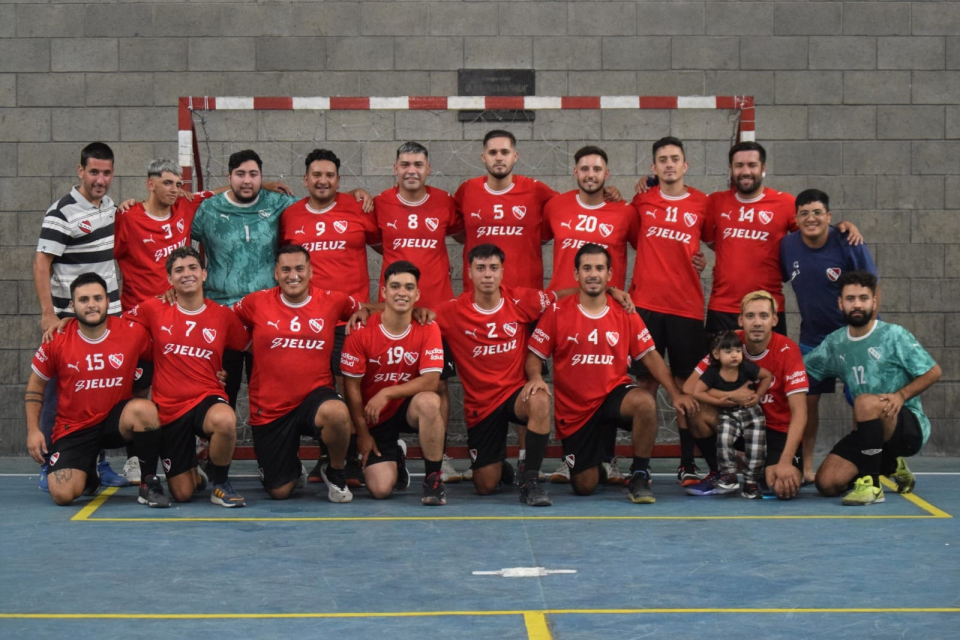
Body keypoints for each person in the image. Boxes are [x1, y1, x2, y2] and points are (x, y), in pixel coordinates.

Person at [526, 243, 698, 502]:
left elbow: (650, 355)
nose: (593, 274)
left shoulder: (625, 311)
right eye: (587, 268)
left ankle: (639, 474)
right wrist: (537, 377)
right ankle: (597, 461)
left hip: (612, 395)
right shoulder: (558, 311)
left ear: (609, 275)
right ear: (576, 274)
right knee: (585, 486)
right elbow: (534, 355)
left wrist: (675, 394)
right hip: (576, 410)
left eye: (599, 268)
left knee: (644, 401)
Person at [24, 273, 168, 508]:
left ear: (107, 301)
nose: (91, 305)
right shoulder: (57, 339)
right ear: (72, 305)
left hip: (114, 422)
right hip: (74, 429)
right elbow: (35, 387)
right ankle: (89, 470)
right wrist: (33, 431)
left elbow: (166, 356)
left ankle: (148, 483)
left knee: (145, 409)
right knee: (62, 495)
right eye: (83, 300)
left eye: (97, 298)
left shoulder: (132, 332)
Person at [278, 148, 379, 483]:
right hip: (306, 322)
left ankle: (356, 456)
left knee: (352, 388)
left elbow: (389, 247)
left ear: (339, 180)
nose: (323, 180)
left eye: (330, 175)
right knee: (318, 390)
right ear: (305, 179)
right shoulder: (290, 215)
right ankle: (328, 456)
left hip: (351, 320)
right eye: (316, 175)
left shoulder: (359, 207)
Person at [232, 245, 363, 502]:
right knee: (280, 492)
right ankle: (290, 469)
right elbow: (221, 322)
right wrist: (242, 347)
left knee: (337, 413)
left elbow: (365, 309)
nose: (294, 275)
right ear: (276, 273)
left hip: (314, 397)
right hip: (270, 408)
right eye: (286, 269)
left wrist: (366, 312)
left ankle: (334, 469)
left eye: (299, 268)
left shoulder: (332, 300)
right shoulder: (255, 302)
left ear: (311, 271)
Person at [33, 142, 128, 490]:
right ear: (80, 171)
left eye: (106, 173)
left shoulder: (110, 208)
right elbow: (42, 262)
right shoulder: (61, 212)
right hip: (69, 322)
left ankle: (96, 463)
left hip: (109, 321)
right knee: (60, 395)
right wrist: (48, 313)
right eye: (94, 172)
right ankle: (49, 464)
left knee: (100, 396)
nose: (100, 179)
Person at [433, 244, 557, 505]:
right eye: (480, 268)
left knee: (541, 399)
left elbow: (562, 296)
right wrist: (368, 311)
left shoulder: (522, 300)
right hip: (481, 406)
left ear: (502, 272)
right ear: (469, 273)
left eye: (493, 268)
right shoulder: (451, 311)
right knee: (485, 487)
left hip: (515, 394)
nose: (487, 274)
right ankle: (500, 465)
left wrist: (611, 291)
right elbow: (410, 314)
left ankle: (530, 480)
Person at [126, 247, 250, 507]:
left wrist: (224, 370)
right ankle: (197, 474)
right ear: (170, 280)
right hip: (170, 408)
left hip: (206, 396)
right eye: (179, 270)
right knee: (182, 494)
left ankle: (220, 482)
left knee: (226, 419)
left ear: (204, 274)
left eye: (193, 268)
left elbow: (241, 346)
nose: (187, 274)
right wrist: (68, 323)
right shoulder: (153, 309)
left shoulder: (223, 316)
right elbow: (119, 327)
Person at [804, 271, 940, 506]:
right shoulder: (835, 343)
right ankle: (891, 464)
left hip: (907, 427)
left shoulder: (893, 335)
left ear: (874, 302)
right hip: (869, 431)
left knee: (865, 402)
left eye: (863, 298)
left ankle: (872, 485)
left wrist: (901, 394)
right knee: (827, 483)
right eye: (850, 299)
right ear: (840, 303)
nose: (857, 304)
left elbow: (933, 371)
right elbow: (800, 368)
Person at [703, 142, 862, 336]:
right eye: (739, 165)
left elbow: (812, 233)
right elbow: (710, 241)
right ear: (730, 169)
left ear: (763, 168)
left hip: (768, 309)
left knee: (769, 366)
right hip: (723, 308)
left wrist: (841, 226)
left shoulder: (786, 203)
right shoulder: (715, 202)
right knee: (720, 365)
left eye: (752, 165)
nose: (745, 171)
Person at [629, 136, 716, 487]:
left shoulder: (701, 203)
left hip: (687, 307)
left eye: (674, 158)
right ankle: (641, 465)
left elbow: (705, 246)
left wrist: (701, 262)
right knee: (646, 384)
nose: (668, 164)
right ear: (653, 168)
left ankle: (686, 463)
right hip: (646, 306)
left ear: (685, 165)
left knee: (684, 385)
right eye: (662, 159)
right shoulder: (641, 202)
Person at [370, 142, 461, 459]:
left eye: (418, 164)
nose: (412, 170)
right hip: (394, 315)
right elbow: (374, 241)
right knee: (385, 377)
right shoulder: (380, 202)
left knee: (438, 386)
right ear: (394, 168)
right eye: (405, 164)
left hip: (437, 313)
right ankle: (386, 443)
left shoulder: (445, 202)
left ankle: (442, 458)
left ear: (428, 169)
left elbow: (463, 234)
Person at [781, 188, 878, 484]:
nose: (811, 218)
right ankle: (807, 467)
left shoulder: (849, 240)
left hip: (852, 339)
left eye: (817, 212)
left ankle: (860, 466)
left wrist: (869, 333)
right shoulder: (787, 246)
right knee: (806, 404)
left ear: (829, 217)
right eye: (804, 213)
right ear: (796, 218)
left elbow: (872, 287)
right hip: (813, 341)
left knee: (861, 401)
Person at [340, 260, 448, 505]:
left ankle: (433, 480)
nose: (402, 292)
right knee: (380, 490)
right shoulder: (361, 331)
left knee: (430, 401)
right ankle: (396, 456)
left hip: (406, 407)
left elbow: (431, 381)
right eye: (396, 286)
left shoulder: (428, 327)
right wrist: (364, 435)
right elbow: (352, 390)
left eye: (409, 288)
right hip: (374, 417)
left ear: (417, 294)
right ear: (384, 292)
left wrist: (387, 392)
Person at [684, 291, 809, 500]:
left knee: (782, 487)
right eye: (750, 316)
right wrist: (733, 395)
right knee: (694, 408)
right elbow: (690, 387)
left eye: (763, 316)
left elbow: (800, 413)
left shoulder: (788, 350)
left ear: (775, 320)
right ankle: (723, 474)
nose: (757, 323)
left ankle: (760, 468)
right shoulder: (729, 343)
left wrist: (786, 461)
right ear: (741, 320)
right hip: (740, 423)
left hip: (776, 431)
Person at [687, 331, 773, 498]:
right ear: (716, 354)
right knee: (723, 439)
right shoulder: (712, 372)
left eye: (738, 351)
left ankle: (751, 483)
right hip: (728, 413)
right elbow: (697, 392)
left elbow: (767, 375)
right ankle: (728, 475)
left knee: (757, 447)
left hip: (751, 413)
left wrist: (758, 395)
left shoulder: (746, 367)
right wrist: (719, 402)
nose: (734, 355)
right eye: (728, 352)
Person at [543, 146, 638, 292]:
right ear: (575, 172)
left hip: (606, 304)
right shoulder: (555, 205)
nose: (591, 175)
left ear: (606, 174)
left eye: (597, 169)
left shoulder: (626, 212)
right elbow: (537, 240)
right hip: (562, 302)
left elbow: (646, 249)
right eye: (585, 169)